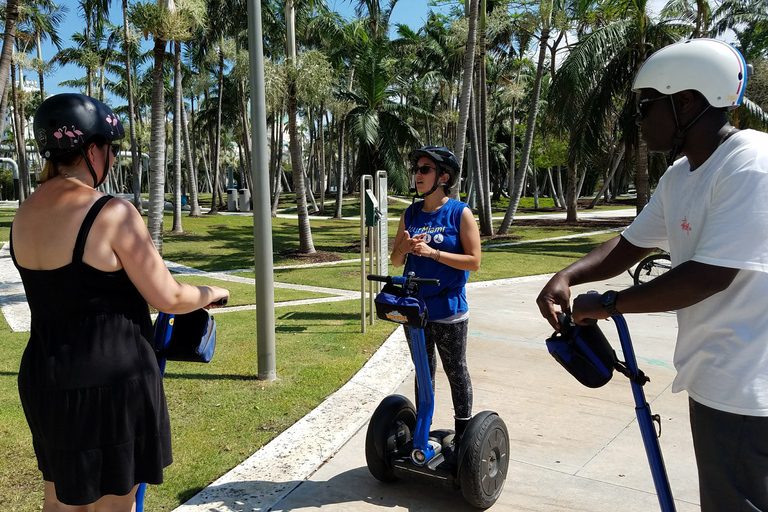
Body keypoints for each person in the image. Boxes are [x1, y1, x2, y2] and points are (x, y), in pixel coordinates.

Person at [536, 38, 768, 511]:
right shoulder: (682, 174)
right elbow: (630, 243)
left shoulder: (751, 163)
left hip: (750, 389)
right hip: (713, 375)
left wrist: (609, 304)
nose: (637, 120)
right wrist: (567, 276)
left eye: (645, 106)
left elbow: (710, 275)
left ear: (686, 100)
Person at [11, 93, 229, 511]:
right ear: (93, 150)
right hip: (111, 383)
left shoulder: (25, 213)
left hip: (46, 378)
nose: (111, 159)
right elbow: (169, 295)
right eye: (110, 150)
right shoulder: (112, 212)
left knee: (60, 500)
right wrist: (211, 292)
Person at [390, 145, 482, 442]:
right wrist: (404, 249)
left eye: (424, 169)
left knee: (455, 370)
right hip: (415, 307)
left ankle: (465, 436)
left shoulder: (460, 213)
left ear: (443, 176)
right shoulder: (411, 212)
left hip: (449, 308)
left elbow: (475, 261)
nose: (417, 175)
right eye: (416, 169)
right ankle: (422, 431)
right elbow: (396, 260)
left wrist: (434, 253)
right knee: (423, 369)